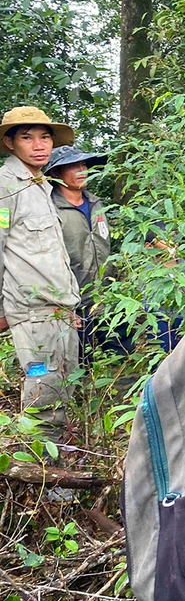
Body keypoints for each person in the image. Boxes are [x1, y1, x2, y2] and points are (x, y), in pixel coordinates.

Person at [0, 106, 81, 439]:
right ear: (9, 143)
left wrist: (68, 306)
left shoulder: (41, 187)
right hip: (33, 316)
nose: (39, 145)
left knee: (63, 393)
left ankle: (54, 477)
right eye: (27, 137)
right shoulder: (7, 187)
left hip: (57, 312)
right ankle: (42, 481)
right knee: (44, 400)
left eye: (45, 137)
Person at [44, 145, 111, 357]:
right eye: (73, 166)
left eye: (84, 164)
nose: (82, 170)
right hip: (74, 302)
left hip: (108, 295)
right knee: (81, 360)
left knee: (120, 354)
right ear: (56, 173)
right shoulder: (50, 210)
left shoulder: (96, 203)